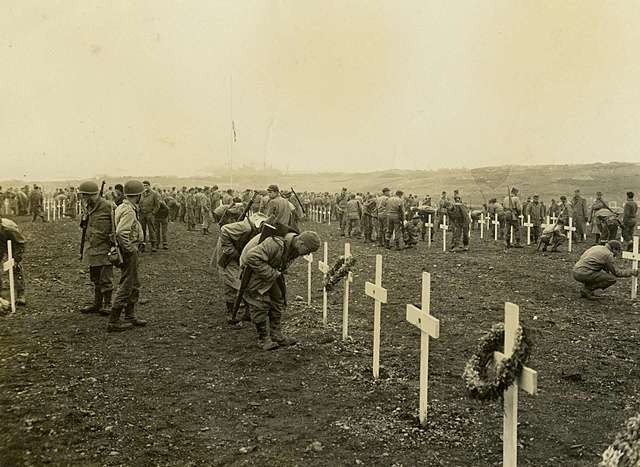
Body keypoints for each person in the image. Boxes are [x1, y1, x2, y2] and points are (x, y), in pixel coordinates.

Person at [239, 229, 320, 350]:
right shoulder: (275, 244)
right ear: (301, 243)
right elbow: (251, 257)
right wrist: (272, 273)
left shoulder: (293, 249)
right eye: (308, 251)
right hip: (255, 275)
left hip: (271, 274)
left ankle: (276, 335)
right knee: (260, 304)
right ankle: (263, 339)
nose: (307, 255)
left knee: (278, 301)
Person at [109, 180, 147, 332]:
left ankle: (130, 316)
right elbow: (121, 232)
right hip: (129, 252)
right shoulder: (129, 211)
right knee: (127, 284)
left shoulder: (123, 207)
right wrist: (130, 249)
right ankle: (113, 321)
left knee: (134, 283)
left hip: (128, 250)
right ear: (137, 195)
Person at [216, 213, 267, 323]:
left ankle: (246, 313)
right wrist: (231, 251)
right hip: (228, 254)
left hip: (239, 252)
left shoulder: (257, 229)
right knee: (232, 280)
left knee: (244, 280)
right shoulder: (246, 227)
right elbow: (224, 230)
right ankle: (231, 313)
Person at [78, 181, 115, 315]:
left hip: (105, 247)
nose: (83, 198)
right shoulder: (88, 207)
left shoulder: (109, 206)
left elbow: (116, 227)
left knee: (106, 278)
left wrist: (114, 245)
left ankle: (108, 304)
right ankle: (97, 303)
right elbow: (85, 226)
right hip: (92, 247)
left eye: (85, 195)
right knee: (95, 278)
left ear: (92, 195)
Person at [572, 240, 638, 300]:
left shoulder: (598, 247)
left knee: (597, 273)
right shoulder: (608, 254)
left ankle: (587, 290)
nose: (617, 254)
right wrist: (631, 272)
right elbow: (616, 273)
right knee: (611, 279)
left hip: (576, 270)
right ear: (614, 249)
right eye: (618, 251)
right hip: (583, 273)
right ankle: (587, 290)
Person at [0, 217, 26, 306]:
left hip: (13, 242)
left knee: (15, 267)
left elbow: (20, 243)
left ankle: (20, 294)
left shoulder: (9, 229)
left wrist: (16, 259)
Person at [139, 181, 160, 252]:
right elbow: (138, 203)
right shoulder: (141, 194)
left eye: (146, 185)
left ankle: (153, 245)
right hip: (142, 214)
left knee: (151, 230)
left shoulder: (154, 194)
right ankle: (143, 245)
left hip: (150, 214)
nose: (145, 187)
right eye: (143, 185)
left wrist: (153, 213)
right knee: (142, 230)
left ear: (149, 186)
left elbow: (157, 205)